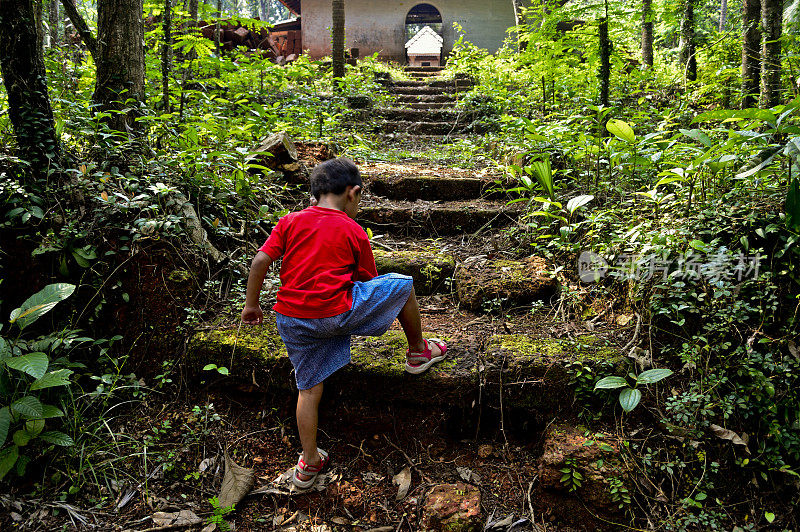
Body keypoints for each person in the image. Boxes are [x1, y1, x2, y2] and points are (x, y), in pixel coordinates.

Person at [240, 157, 446, 489]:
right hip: (335, 313)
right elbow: (367, 281)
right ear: (353, 193)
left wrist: (251, 305)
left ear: (313, 196)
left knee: (308, 389)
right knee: (403, 285)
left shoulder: (289, 222)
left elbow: (261, 259)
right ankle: (419, 351)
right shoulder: (353, 230)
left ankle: (308, 463)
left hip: (292, 319)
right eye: (359, 198)